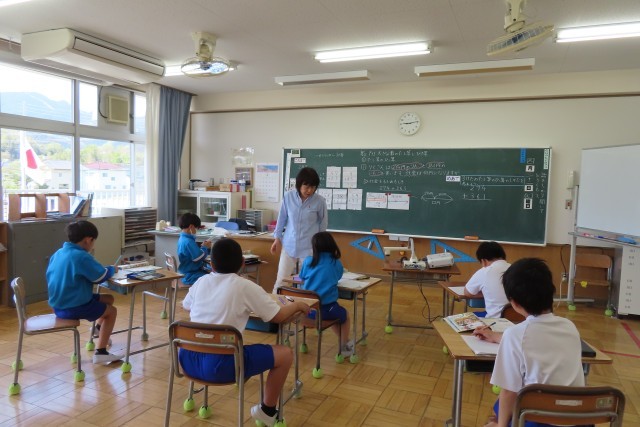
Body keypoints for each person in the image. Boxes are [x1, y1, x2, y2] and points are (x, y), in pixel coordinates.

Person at [181, 238, 311, 427]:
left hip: (187, 361)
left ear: (211, 264)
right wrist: (298, 305)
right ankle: (267, 411)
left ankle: (193, 397)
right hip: (221, 367)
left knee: (228, 344)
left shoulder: (201, 281)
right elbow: (278, 316)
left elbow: (186, 306)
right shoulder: (244, 286)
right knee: (285, 354)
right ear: (242, 263)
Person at [473, 258, 585, 427]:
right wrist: (496, 336)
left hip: (540, 420)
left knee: (498, 412)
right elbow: (539, 341)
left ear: (514, 303)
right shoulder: (570, 327)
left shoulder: (515, 335)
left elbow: (508, 391)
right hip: (577, 419)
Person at [46, 220, 122, 364]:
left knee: (108, 299)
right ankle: (101, 352)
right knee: (112, 312)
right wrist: (112, 269)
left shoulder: (59, 253)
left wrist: (105, 270)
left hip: (59, 304)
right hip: (73, 306)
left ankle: (98, 329)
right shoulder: (81, 256)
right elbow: (100, 277)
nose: (93, 245)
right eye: (93, 241)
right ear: (88, 240)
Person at [270, 167, 328, 294]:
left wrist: (320, 246)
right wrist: (277, 238)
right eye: (306, 186)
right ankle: (275, 305)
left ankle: (306, 306)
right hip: (289, 246)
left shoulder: (320, 201)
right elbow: (281, 219)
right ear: (299, 184)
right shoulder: (288, 197)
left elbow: (323, 225)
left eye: (313, 187)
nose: (309, 190)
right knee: (281, 281)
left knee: (308, 283)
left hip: (309, 248)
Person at [298, 231, 353, 356]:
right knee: (344, 315)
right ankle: (344, 345)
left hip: (307, 309)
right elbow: (338, 277)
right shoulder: (336, 263)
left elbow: (302, 277)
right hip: (328, 310)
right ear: (332, 245)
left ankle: (321, 326)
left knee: (332, 315)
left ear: (314, 247)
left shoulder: (308, 261)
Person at [464, 241, 510, 318]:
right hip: (518, 319)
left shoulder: (484, 271)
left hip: (495, 320)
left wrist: (485, 292)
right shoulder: (516, 269)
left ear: (483, 261)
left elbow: (467, 293)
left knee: (464, 318)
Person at [177, 212, 213, 285]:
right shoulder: (188, 241)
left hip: (186, 272)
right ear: (191, 226)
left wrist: (203, 247)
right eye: (196, 228)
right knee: (212, 278)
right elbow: (198, 257)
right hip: (190, 275)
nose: (196, 230)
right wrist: (205, 247)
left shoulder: (183, 238)